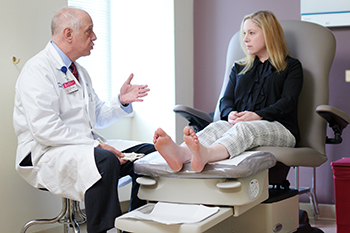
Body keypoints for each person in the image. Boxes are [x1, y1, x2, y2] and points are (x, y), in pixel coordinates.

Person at [13, 7, 155, 233]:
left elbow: (96, 115)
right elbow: (45, 130)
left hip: (80, 148)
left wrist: (121, 101)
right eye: (89, 32)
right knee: (105, 160)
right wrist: (97, 145)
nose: (95, 37)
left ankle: (133, 227)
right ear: (68, 34)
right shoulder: (37, 70)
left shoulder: (79, 72)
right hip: (45, 152)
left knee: (149, 153)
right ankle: (102, 229)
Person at [153, 10, 303, 173]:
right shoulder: (239, 68)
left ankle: (206, 154)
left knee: (244, 129)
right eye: (245, 33)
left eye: (251, 33)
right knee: (216, 127)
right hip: (242, 124)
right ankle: (180, 153)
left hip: (282, 128)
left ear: (269, 34)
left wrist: (257, 115)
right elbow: (226, 100)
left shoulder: (291, 67)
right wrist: (230, 113)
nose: (245, 38)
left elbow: (288, 101)